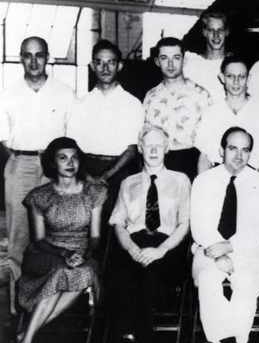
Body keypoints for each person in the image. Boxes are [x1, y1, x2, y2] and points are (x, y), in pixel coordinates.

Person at [8, 137, 107, 343]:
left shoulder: (94, 192)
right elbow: (38, 240)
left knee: (82, 272)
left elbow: (95, 237)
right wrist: (64, 253)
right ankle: (27, 342)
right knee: (64, 270)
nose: (70, 163)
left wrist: (84, 254)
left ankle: (25, 340)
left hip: (81, 253)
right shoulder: (39, 196)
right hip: (46, 253)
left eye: (74, 157)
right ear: (52, 163)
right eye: (63, 157)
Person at [104, 125, 191, 343]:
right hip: (133, 242)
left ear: (167, 149)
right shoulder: (127, 183)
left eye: (159, 145)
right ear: (140, 149)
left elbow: (184, 224)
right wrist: (132, 249)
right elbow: (118, 223)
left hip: (167, 245)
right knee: (125, 274)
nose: (153, 150)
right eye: (148, 145)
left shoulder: (181, 180)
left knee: (149, 275)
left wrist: (161, 250)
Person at [192, 127, 259, 343]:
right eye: (232, 148)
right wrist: (218, 252)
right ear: (221, 150)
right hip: (208, 248)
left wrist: (230, 247)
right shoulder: (204, 181)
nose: (238, 155)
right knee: (208, 279)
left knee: (246, 282)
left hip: (247, 249)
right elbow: (199, 225)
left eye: (245, 149)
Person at [0, 37, 76, 285]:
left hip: (55, 169)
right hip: (20, 165)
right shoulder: (7, 93)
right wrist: (20, 160)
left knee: (56, 235)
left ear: (48, 57)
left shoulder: (65, 93)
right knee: (19, 236)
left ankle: (49, 295)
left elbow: (73, 137)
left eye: (39, 55)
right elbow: (2, 138)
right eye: (28, 55)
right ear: (20, 57)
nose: (34, 61)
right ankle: (18, 303)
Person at [67, 40, 144, 222]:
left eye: (111, 62)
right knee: (86, 228)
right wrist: (88, 177)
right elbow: (72, 147)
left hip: (120, 173)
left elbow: (132, 149)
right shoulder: (80, 104)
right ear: (93, 66)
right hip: (85, 172)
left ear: (119, 65)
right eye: (99, 62)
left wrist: (104, 178)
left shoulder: (132, 104)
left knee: (116, 228)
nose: (105, 67)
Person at [143, 37, 213, 181]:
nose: (170, 63)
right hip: (160, 164)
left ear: (184, 60)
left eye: (176, 57)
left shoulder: (201, 95)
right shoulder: (150, 97)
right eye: (164, 58)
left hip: (193, 164)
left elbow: (211, 139)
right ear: (157, 61)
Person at [194, 55, 259, 178]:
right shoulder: (212, 113)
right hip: (218, 176)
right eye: (230, 76)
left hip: (250, 177)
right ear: (222, 78)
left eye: (241, 76)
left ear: (248, 79)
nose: (236, 82)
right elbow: (204, 158)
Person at [182, 12, 228, 102]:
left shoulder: (235, 64)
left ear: (226, 32)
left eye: (220, 30)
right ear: (204, 32)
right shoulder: (190, 65)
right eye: (211, 30)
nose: (216, 35)